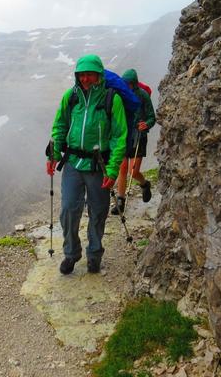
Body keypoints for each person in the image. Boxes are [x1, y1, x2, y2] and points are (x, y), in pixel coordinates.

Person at [46, 54, 127, 274]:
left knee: (98, 211)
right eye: (82, 74)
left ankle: (94, 254)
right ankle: (71, 254)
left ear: (99, 75)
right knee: (69, 210)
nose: (85, 79)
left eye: (90, 74)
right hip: (73, 162)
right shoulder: (70, 97)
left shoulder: (112, 99)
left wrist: (112, 169)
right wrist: (53, 154)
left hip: (99, 167)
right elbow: (59, 126)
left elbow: (120, 136)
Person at [111, 68, 155, 215]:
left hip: (139, 136)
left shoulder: (143, 95)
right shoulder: (121, 95)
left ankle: (144, 184)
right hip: (125, 135)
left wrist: (146, 124)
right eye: (125, 83)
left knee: (133, 171)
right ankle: (120, 201)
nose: (127, 86)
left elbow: (151, 116)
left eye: (129, 83)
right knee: (122, 168)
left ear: (134, 83)